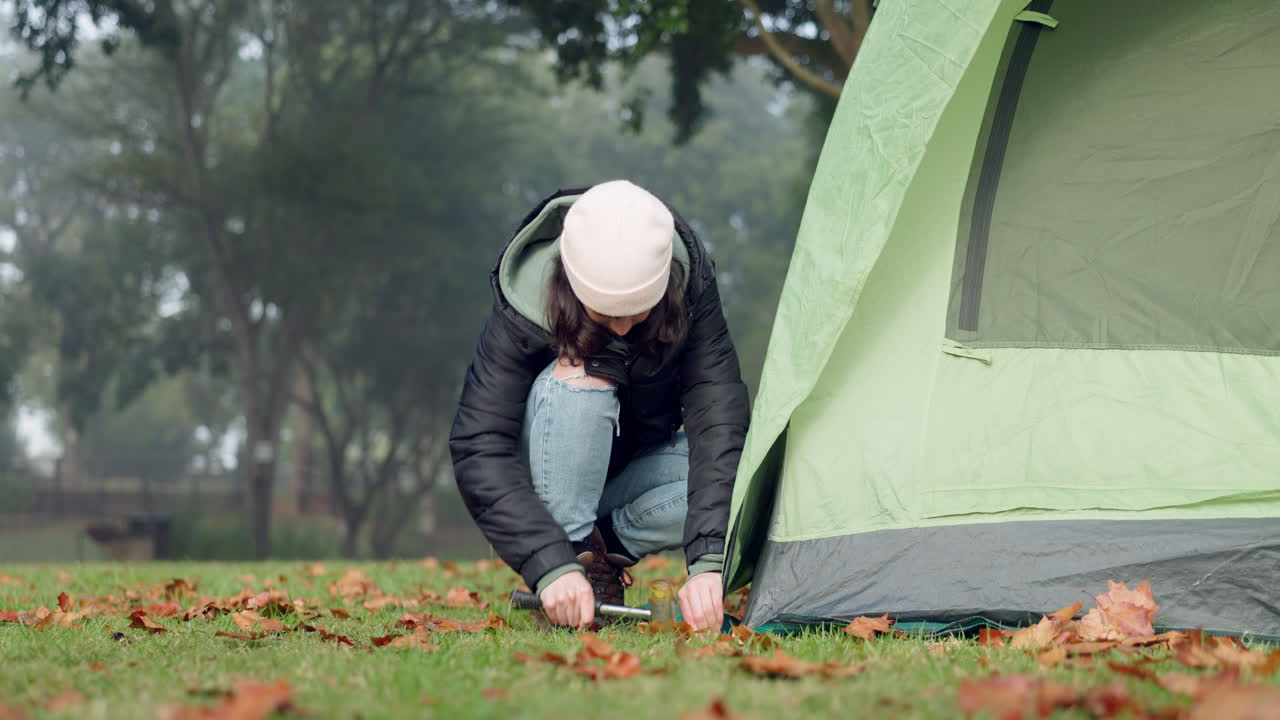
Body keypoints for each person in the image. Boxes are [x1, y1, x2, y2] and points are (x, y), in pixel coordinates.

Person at [449, 180, 750, 631]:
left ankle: (602, 547)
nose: (625, 328)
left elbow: (718, 420)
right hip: (543, 485)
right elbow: (478, 445)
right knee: (583, 375)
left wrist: (709, 562)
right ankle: (572, 556)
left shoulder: (692, 287)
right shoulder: (523, 303)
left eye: (640, 311)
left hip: (626, 473)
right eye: (608, 314)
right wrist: (550, 564)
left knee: (748, 472)